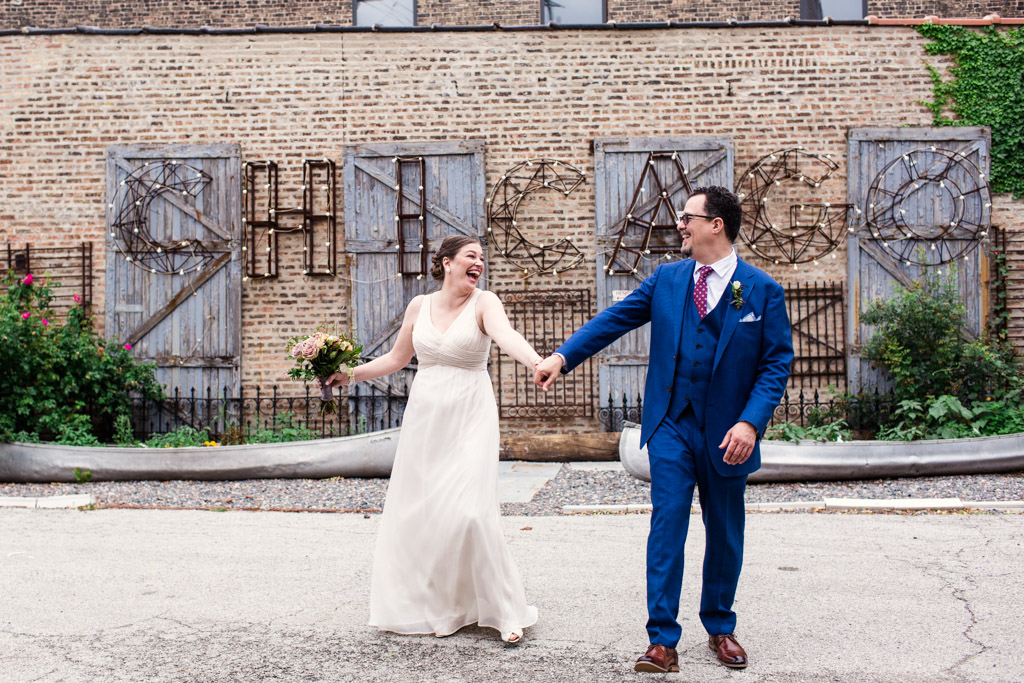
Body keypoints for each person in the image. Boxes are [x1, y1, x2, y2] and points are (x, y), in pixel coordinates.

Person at [534, 186, 793, 672]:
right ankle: (662, 641)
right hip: (671, 424)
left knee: (725, 531)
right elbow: (614, 320)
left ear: (716, 224)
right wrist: (562, 356)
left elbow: (776, 363)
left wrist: (750, 423)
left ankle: (720, 628)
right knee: (666, 526)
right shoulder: (668, 280)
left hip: (728, 433)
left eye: (687, 217)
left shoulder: (761, 289)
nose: (679, 224)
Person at [326, 235, 540, 645]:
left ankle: (504, 611)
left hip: (471, 414)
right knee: (425, 513)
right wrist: (347, 374)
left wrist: (536, 361)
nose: (478, 263)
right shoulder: (419, 306)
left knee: (472, 513)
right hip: (426, 418)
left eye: (481, 258)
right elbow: (396, 359)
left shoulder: (485, 302)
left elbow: (506, 335)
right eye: (470, 256)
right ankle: (442, 606)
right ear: (445, 263)